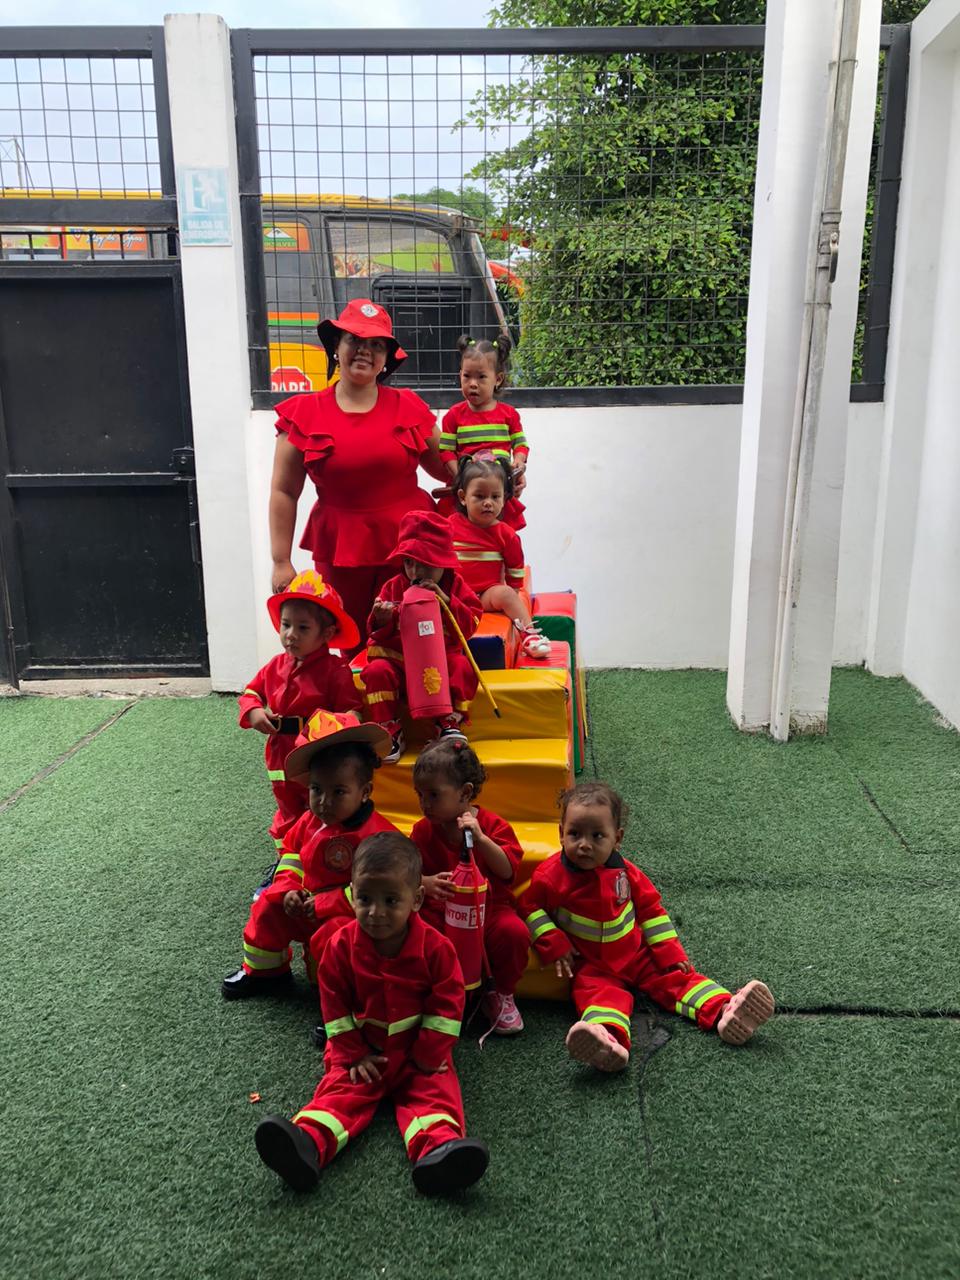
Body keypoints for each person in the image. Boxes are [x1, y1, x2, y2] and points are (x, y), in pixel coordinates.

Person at [254, 831, 490, 1196]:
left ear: (417, 899)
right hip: (362, 1051)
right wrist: (353, 1053)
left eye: (391, 900)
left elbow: (448, 1005)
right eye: (364, 898)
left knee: (433, 1095)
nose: (376, 912)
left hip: (417, 1054)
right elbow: (333, 1007)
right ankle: (306, 1144)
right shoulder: (339, 946)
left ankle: (439, 1153)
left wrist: (428, 1055)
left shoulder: (437, 949)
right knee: (340, 1092)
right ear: (352, 893)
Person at [519, 782, 775, 1072]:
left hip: (637, 953)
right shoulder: (551, 876)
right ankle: (607, 1040)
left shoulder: (626, 872)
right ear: (560, 833)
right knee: (599, 995)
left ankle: (725, 1009)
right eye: (574, 834)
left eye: (597, 835)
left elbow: (651, 911)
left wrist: (669, 952)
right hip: (592, 964)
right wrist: (553, 940)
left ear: (617, 839)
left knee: (675, 978)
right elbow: (529, 906)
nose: (584, 844)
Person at [268, 298, 450, 645]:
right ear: (336, 347)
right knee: (352, 641)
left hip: (411, 548)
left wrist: (492, 474)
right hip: (341, 549)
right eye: (354, 340)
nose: (365, 351)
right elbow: (284, 491)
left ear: (386, 358)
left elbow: (448, 469)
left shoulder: (409, 406)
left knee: (417, 639)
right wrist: (281, 560)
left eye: (377, 345)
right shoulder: (303, 413)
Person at [222, 711, 397, 999]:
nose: (324, 802)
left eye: (338, 792)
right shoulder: (309, 820)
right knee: (267, 906)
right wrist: (288, 889)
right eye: (317, 789)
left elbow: (378, 892)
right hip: (304, 905)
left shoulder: (378, 837)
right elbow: (291, 855)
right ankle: (266, 974)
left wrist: (326, 904)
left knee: (338, 936)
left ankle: (341, 995)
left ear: (365, 791)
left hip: (345, 915)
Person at [409, 738, 529, 1036]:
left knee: (513, 932)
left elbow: (507, 870)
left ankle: (501, 994)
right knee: (417, 929)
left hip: (490, 910)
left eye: (434, 795)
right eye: (420, 795)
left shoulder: (493, 825)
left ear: (465, 793)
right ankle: (435, 991)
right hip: (442, 911)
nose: (425, 804)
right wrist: (425, 883)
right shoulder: (422, 831)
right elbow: (406, 874)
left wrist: (481, 840)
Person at [238, 571, 361, 857]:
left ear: (327, 634)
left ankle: (319, 861)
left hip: (315, 756)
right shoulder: (275, 665)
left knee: (319, 809)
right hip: (278, 754)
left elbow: (352, 712)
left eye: (303, 627)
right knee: (286, 810)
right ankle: (286, 864)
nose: (290, 634)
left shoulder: (335, 671)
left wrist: (333, 729)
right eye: (286, 624)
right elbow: (251, 692)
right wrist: (253, 710)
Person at [360, 510, 482, 763]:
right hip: (400, 664)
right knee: (376, 671)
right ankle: (389, 728)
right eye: (408, 562)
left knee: (463, 667)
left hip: (439, 664)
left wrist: (446, 601)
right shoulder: (393, 586)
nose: (415, 572)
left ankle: (448, 722)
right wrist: (382, 619)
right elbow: (375, 633)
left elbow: (471, 624)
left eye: (425, 563)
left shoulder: (455, 585)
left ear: (443, 562)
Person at [447, 455, 552, 659]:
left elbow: (515, 566)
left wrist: (512, 591)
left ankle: (529, 635)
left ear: (504, 499)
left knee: (506, 594)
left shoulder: (506, 534)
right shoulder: (449, 526)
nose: (488, 503)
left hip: (485, 595)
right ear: (463, 497)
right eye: (479, 496)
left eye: (495, 497)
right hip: (455, 594)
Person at [436, 333, 528, 531]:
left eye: (481, 377)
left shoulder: (509, 415)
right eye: (467, 376)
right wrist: (461, 477)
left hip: (497, 493)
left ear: (498, 379)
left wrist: (519, 462)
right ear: (460, 375)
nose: (473, 383)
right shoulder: (453, 416)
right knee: (462, 539)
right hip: (467, 494)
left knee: (501, 537)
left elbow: (520, 444)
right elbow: (446, 451)